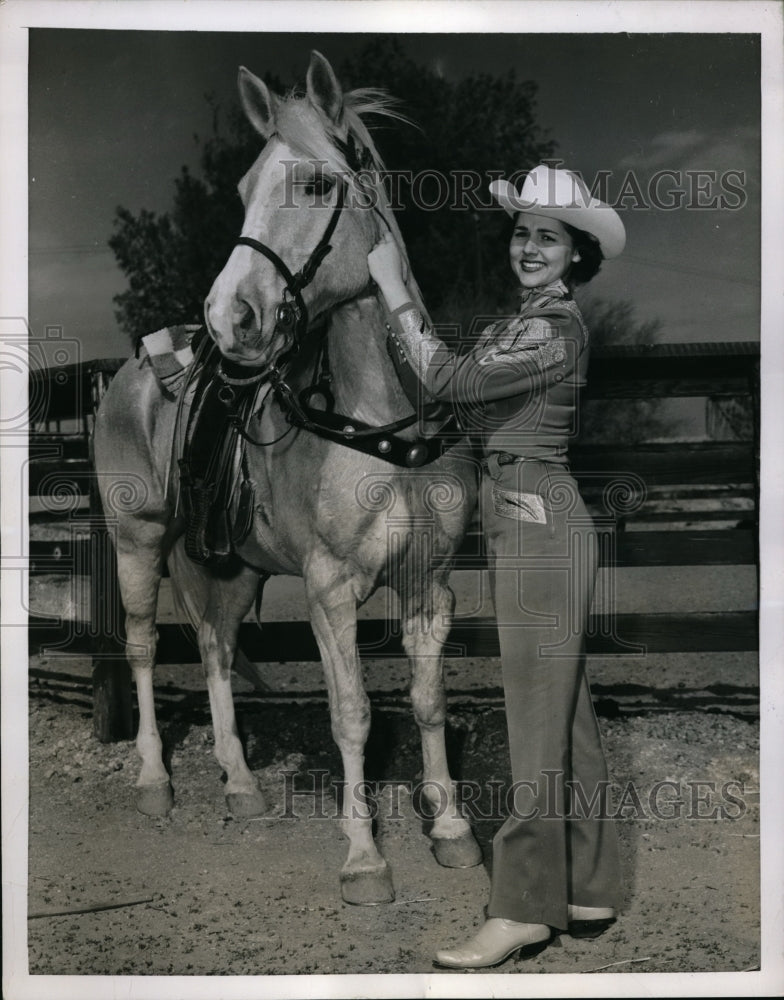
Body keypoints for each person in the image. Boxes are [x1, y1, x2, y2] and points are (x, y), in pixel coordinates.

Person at [367, 164, 627, 970]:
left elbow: (442, 375)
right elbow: (448, 392)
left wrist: (393, 287)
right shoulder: (512, 328)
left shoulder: (556, 332)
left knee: (533, 724)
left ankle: (521, 909)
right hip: (523, 520)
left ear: (577, 256)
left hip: (540, 523)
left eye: (548, 237)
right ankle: (589, 882)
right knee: (567, 716)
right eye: (521, 233)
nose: (529, 247)